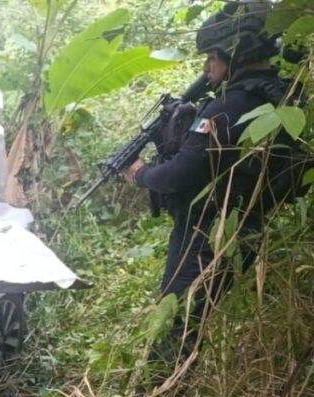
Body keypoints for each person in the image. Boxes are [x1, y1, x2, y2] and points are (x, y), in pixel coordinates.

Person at [120, 2, 290, 358]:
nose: (206, 66)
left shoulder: (225, 108)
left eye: (213, 56)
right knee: (191, 319)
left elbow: (178, 175)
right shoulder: (279, 98)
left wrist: (139, 174)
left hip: (204, 233)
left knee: (176, 321)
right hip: (244, 226)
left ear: (235, 51)